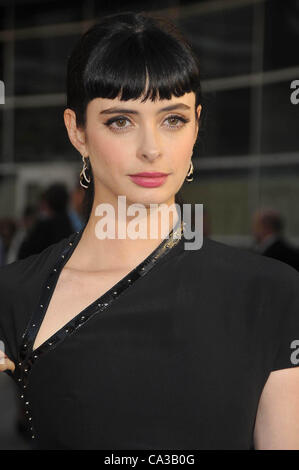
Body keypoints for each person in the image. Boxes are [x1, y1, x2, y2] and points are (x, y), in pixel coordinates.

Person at [0, 11, 299, 450]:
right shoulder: (12, 297)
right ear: (77, 131)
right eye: (120, 120)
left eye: (172, 119)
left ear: (197, 124)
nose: (151, 149)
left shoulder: (270, 293)